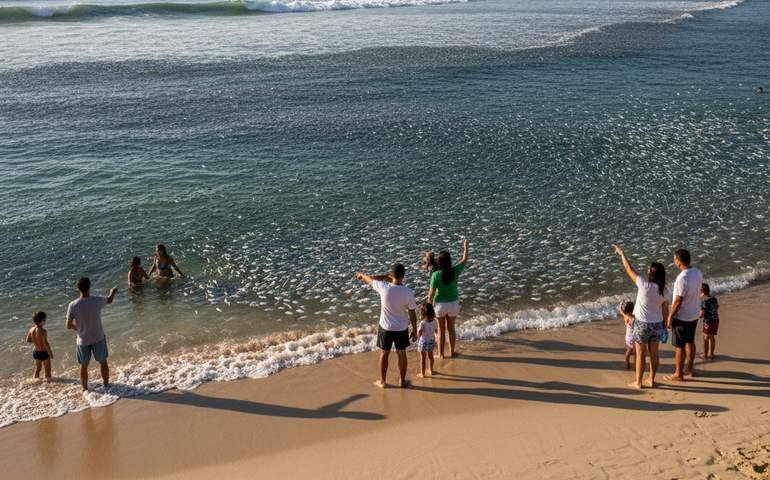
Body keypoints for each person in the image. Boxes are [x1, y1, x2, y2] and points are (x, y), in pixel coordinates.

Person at [613, 245, 670, 389]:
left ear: (651, 274)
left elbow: (628, 268)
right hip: (657, 324)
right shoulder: (666, 290)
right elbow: (665, 310)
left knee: (640, 353)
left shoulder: (644, 285)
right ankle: (651, 379)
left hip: (642, 324)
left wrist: (622, 253)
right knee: (654, 353)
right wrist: (666, 324)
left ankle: (638, 382)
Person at [357, 264, 417, 388]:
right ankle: (402, 381)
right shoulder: (408, 292)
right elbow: (412, 313)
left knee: (384, 353)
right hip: (401, 328)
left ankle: (383, 382)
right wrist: (415, 329)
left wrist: (362, 275)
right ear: (403, 276)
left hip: (386, 327)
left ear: (392, 275)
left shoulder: (383, 286)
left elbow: (371, 278)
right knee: (402, 354)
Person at [66, 277, 117, 393]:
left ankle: (85, 390)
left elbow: (68, 325)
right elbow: (109, 300)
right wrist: (112, 292)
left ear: (78, 289)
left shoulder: (73, 305)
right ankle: (106, 385)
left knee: (83, 366)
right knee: (103, 362)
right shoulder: (96, 300)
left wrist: (76, 328)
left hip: (82, 340)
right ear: (89, 288)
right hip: (98, 337)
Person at [664, 249, 703, 382]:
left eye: (675, 260)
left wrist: (670, 317)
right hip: (694, 314)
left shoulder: (682, 278)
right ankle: (689, 369)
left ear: (678, 262)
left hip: (682, 317)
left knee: (679, 346)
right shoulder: (698, 272)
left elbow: (677, 301)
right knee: (690, 342)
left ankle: (678, 374)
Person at [427, 239, 469, 358]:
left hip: (440, 305)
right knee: (451, 328)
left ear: (438, 261)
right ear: (450, 261)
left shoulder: (435, 275)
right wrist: (465, 247)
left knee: (441, 330)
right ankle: (451, 352)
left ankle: (441, 355)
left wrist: (428, 308)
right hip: (453, 304)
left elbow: (431, 295)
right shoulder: (455, 271)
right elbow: (464, 260)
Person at [26, 311, 54, 380]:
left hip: (35, 352)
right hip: (43, 352)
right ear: (43, 321)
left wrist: (36, 342)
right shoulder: (43, 331)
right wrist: (50, 353)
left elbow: (28, 340)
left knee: (38, 369)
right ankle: (48, 383)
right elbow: (46, 343)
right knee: (47, 369)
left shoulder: (31, 330)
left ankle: (35, 380)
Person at [416, 302, 438, 378]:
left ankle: (422, 373)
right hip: (431, 340)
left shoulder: (423, 323)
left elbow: (420, 332)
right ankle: (430, 370)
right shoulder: (434, 321)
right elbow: (436, 330)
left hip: (423, 341)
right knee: (430, 356)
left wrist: (418, 338)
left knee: (422, 357)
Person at [700, 283, 720, 360]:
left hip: (708, 322)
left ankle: (705, 355)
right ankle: (711, 353)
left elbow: (701, 314)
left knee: (705, 338)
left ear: (702, 293)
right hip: (715, 321)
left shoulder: (704, 302)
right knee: (712, 337)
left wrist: (696, 315)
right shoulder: (714, 299)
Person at [619, 301, 635, 370]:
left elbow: (620, 310)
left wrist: (621, 304)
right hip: (634, 337)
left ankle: (627, 363)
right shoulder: (633, 318)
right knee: (634, 350)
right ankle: (627, 364)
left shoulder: (626, 316)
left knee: (629, 348)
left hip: (628, 337)